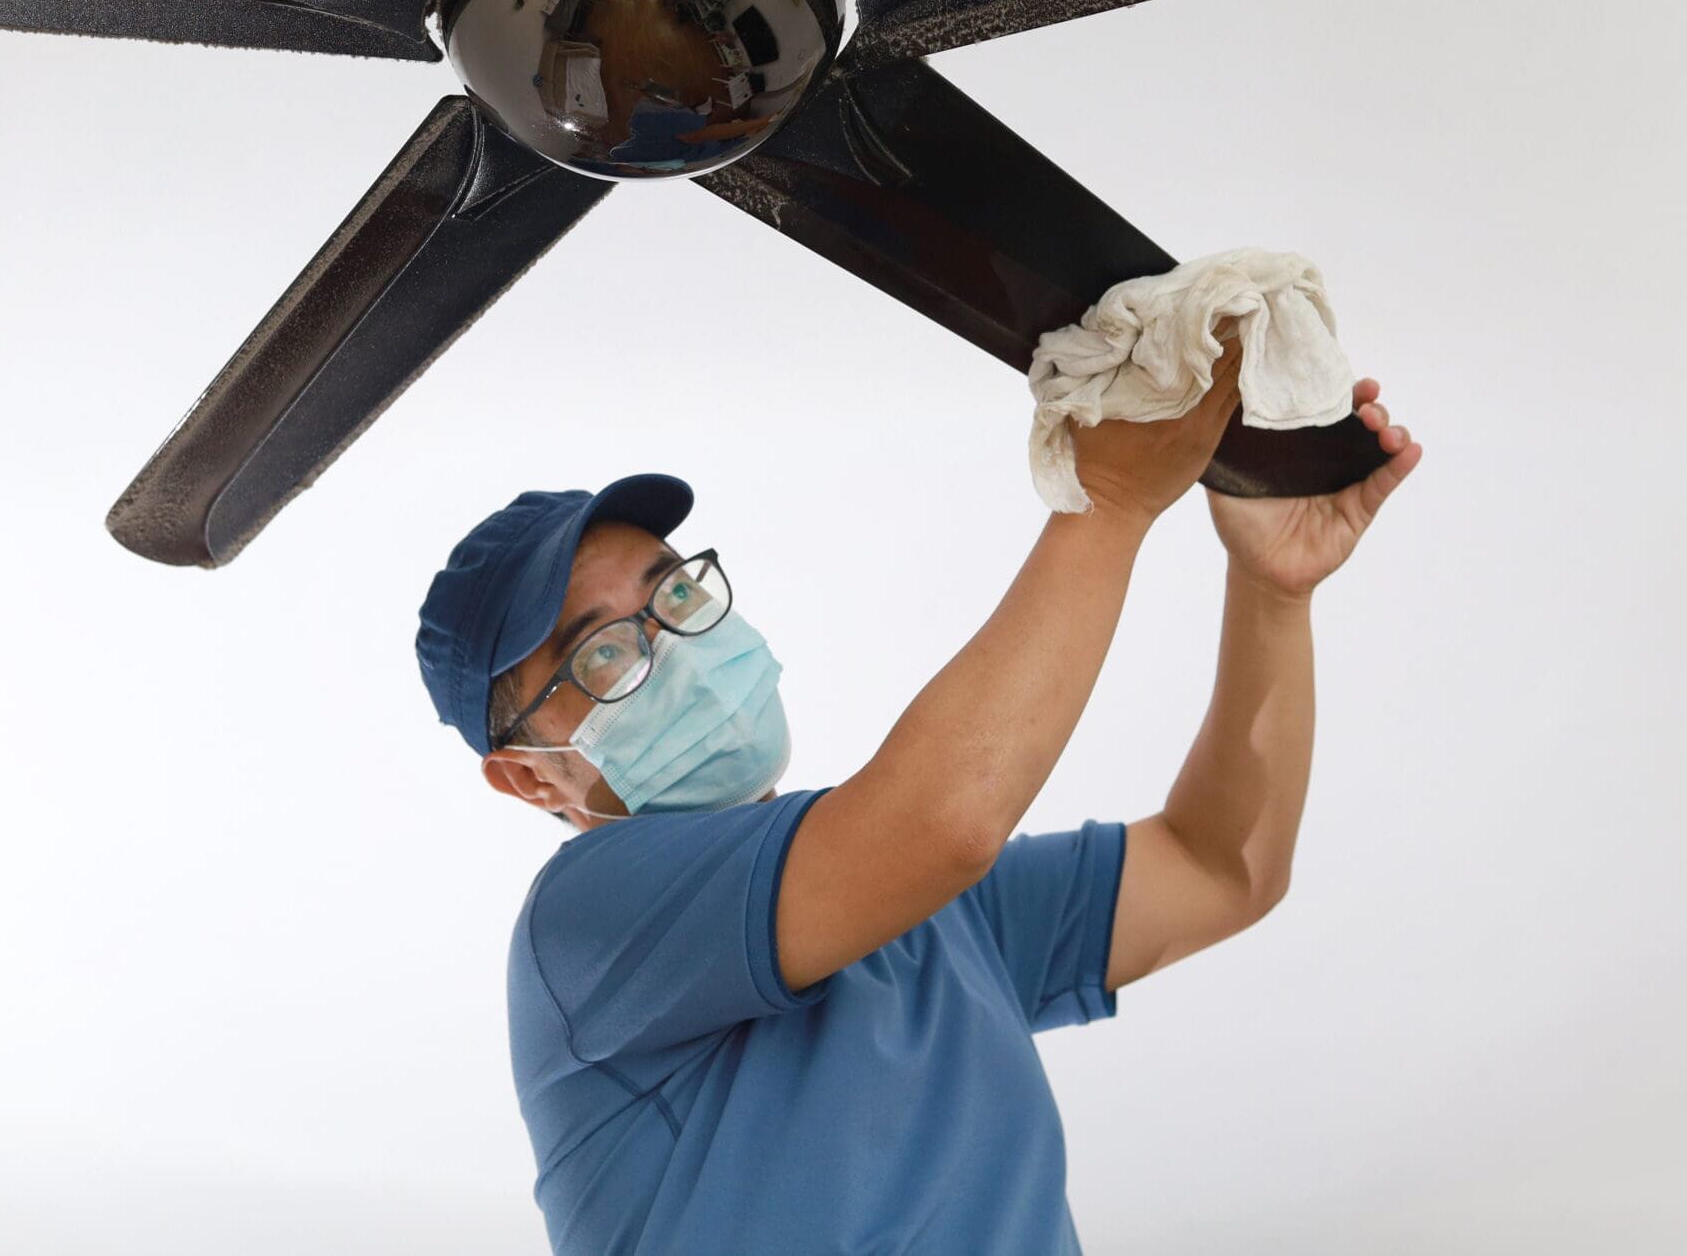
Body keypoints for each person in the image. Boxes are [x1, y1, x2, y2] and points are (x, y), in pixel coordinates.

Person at [414, 324, 1421, 1253]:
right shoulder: (584, 931)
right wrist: (1108, 501)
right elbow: (946, 816)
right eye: (603, 654)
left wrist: (1273, 595)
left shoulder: (928, 914)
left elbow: (1219, 866)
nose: (675, 646)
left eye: (674, 592)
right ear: (525, 775)